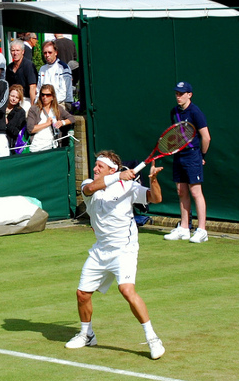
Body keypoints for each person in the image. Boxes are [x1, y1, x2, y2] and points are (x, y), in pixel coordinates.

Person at [66, 150, 165, 360]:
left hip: (124, 249)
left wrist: (154, 180)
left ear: (111, 169)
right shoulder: (89, 184)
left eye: (99, 167)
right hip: (100, 249)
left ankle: (153, 339)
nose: (95, 169)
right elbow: (90, 188)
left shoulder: (128, 186)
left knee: (127, 290)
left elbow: (155, 198)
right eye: (95, 165)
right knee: (82, 294)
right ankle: (87, 334)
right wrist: (118, 176)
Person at [164, 81, 211, 244]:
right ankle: (184, 228)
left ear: (189, 95)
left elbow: (206, 137)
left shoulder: (196, 112)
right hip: (179, 155)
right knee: (181, 191)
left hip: (193, 155)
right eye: (176, 93)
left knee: (196, 192)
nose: (178, 96)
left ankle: (202, 230)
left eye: (181, 93)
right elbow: (176, 135)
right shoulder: (174, 112)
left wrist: (202, 155)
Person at [27, 84, 74, 152]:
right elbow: (30, 129)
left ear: (52, 97)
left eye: (48, 95)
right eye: (42, 95)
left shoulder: (57, 109)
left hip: (52, 146)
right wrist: (47, 124)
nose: (44, 97)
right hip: (36, 147)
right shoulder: (34, 109)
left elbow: (72, 119)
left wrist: (62, 122)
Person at [37, 41, 73, 108]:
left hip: (60, 103)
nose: (47, 55)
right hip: (44, 103)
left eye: (50, 52)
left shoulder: (63, 68)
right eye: (45, 53)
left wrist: (50, 102)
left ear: (56, 53)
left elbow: (64, 92)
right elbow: (38, 89)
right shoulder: (42, 69)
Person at [5, 39, 37, 108]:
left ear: (23, 52)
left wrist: (33, 106)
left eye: (17, 50)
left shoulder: (29, 65)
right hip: (12, 100)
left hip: (25, 100)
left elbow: (32, 87)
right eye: (13, 50)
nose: (15, 53)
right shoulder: (9, 68)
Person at [5, 84, 28, 154]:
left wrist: (7, 124)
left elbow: (17, 132)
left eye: (17, 97)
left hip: (10, 144)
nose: (13, 99)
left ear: (19, 99)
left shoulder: (20, 112)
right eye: (12, 96)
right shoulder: (0, 108)